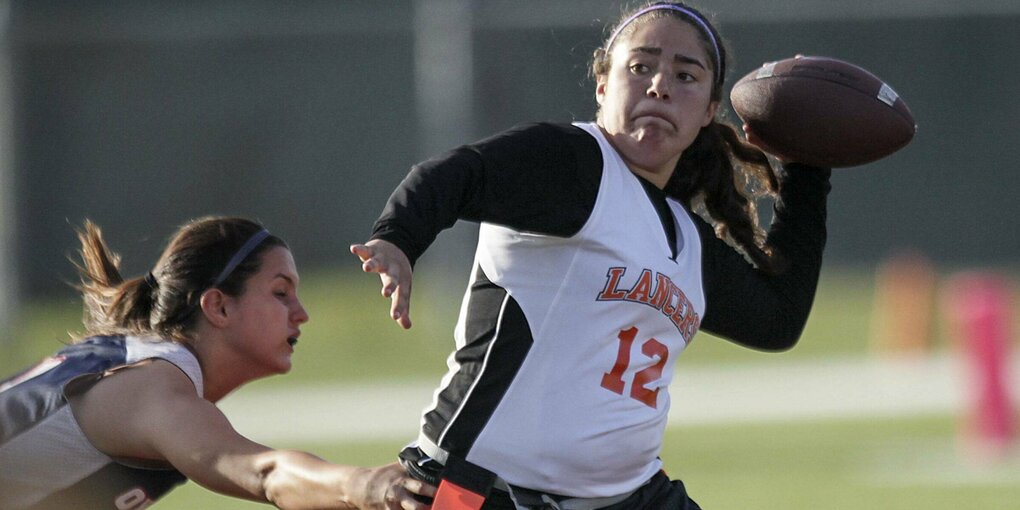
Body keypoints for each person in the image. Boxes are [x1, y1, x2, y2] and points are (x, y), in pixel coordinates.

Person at [351, 2, 831, 508]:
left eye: (685, 75)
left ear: (710, 110)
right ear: (603, 85)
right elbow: (459, 174)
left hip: (627, 496)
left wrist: (808, 168)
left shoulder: (686, 239)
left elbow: (777, 320)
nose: (659, 86)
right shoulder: (576, 164)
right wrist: (398, 237)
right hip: (488, 491)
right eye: (640, 67)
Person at [0, 216, 435, 510]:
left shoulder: (138, 361)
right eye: (280, 293)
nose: (301, 313)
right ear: (218, 307)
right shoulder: (154, 388)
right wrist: (362, 486)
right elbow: (265, 474)